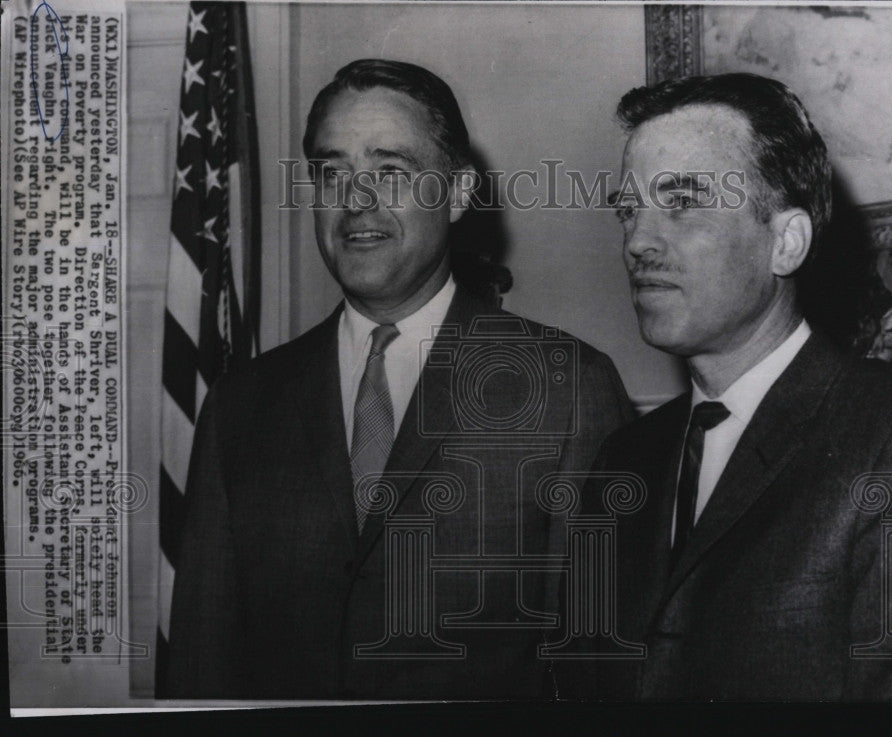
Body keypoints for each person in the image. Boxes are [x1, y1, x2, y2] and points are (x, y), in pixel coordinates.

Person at [163, 59, 634, 699]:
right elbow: (201, 667)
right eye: (333, 173)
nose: (357, 201)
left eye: (391, 171)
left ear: (459, 193)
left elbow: (591, 674)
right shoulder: (240, 407)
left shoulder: (568, 391)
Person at [578, 73, 892, 700]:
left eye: (682, 203)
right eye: (629, 210)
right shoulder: (621, 461)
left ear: (786, 242)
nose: (638, 242)